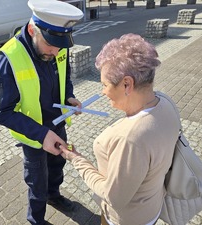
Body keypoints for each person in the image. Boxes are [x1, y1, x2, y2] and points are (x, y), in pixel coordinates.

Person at [60, 33, 181, 225]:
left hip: (126, 219)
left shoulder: (130, 138)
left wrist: (76, 159)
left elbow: (113, 197)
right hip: (152, 206)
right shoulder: (166, 102)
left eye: (105, 85)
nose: (103, 92)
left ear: (127, 84)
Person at [0, 0, 84, 224]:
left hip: (58, 124)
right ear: (33, 30)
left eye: (60, 46)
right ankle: (37, 219)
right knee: (37, 180)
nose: (55, 51)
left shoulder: (58, 47)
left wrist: (68, 97)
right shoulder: (10, 57)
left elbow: (65, 77)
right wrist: (41, 135)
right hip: (34, 136)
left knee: (57, 167)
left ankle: (54, 196)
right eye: (50, 44)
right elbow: (1, 111)